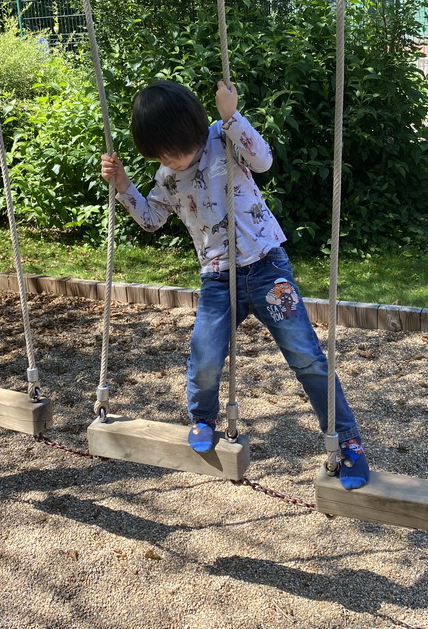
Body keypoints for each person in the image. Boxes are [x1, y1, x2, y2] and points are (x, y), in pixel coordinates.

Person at [100, 79, 369, 490]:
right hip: (216, 279)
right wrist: (124, 189)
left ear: (196, 129)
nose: (175, 159)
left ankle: (346, 440)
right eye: (164, 154)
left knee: (307, 357)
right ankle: (203, 417)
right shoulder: (167, 177)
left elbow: (262, 161)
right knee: (205, 359)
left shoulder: (221, 138)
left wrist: (231, 114)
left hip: (266, 269)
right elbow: (152, 220)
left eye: (179, 149)